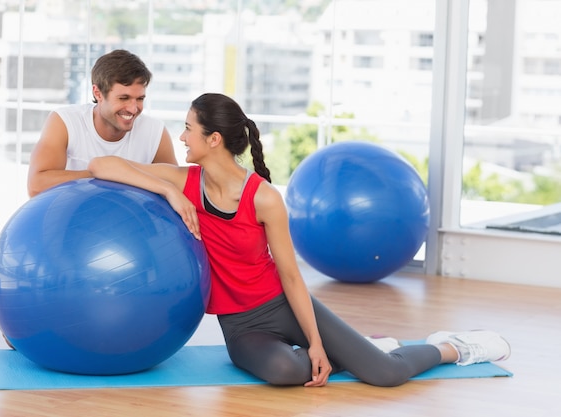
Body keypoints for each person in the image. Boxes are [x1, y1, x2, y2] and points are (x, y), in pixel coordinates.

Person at [87, 93, 511, 387]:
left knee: (385, 374)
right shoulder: (185, 181)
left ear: (213, 140)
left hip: (283, 305)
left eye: (188, 129)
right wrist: (167, 191)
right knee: (289, 373)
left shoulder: (264, 198)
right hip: (240, 326)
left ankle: (452, 347)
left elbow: (291, 277)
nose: (181, 138)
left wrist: (315, 341)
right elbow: (101, 163)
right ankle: (354, 349)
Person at [27, 49, 177, 197]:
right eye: (123, 98)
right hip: (74, 216)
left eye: (139, 99)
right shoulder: (65, 121)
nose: (133, 108)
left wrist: (118, 174)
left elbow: (177, 188)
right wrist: (105, 173)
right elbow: (36, 186)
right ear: (98, 93)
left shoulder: (154, 132)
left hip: (128, 218)